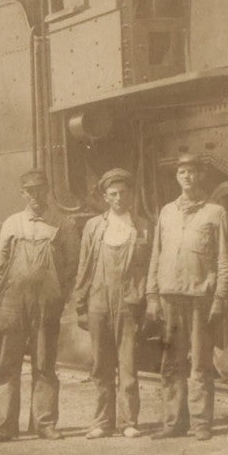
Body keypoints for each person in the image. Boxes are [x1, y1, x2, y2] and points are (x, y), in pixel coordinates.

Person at [0, 170, 78, 444]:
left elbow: (73, 264)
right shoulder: (12, 223)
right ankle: (3, 427)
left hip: (47, 302)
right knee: (7, 364)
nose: (36, 196)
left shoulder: (63, 223)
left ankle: (44, 423)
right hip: (12, 302)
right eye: (30, 191)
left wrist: (62, 294)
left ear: (48, 190)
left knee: (45, 363)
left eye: (40, 189)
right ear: (23, 193)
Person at [144, 154, 228, 441]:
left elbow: (223, 258)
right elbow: (155, 255)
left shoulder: (215, 212)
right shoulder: (167, 212)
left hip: (199, 297)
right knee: (171, 362)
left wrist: (220, 296)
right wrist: (152, 295)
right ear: (177, 177)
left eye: (192, 172)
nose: (187, 177)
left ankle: (201, 422)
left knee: (200, 362)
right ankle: (173, 421)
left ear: (200, 176)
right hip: (170, 296)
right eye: (182, 172)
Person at [71, 168, 151, 440]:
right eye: (113, 194)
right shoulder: (94, 227)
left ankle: (129, 421)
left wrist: (146, 299)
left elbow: (149, 267)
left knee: (127, 365)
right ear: (105, 197)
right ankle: (102, 422)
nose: (119, 198)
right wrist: (80, 303)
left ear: (130, 195)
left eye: (123, 193)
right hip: (98, 302)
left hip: (128, 302)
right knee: (101, 366)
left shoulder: (142, 225)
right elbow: (84, 266)